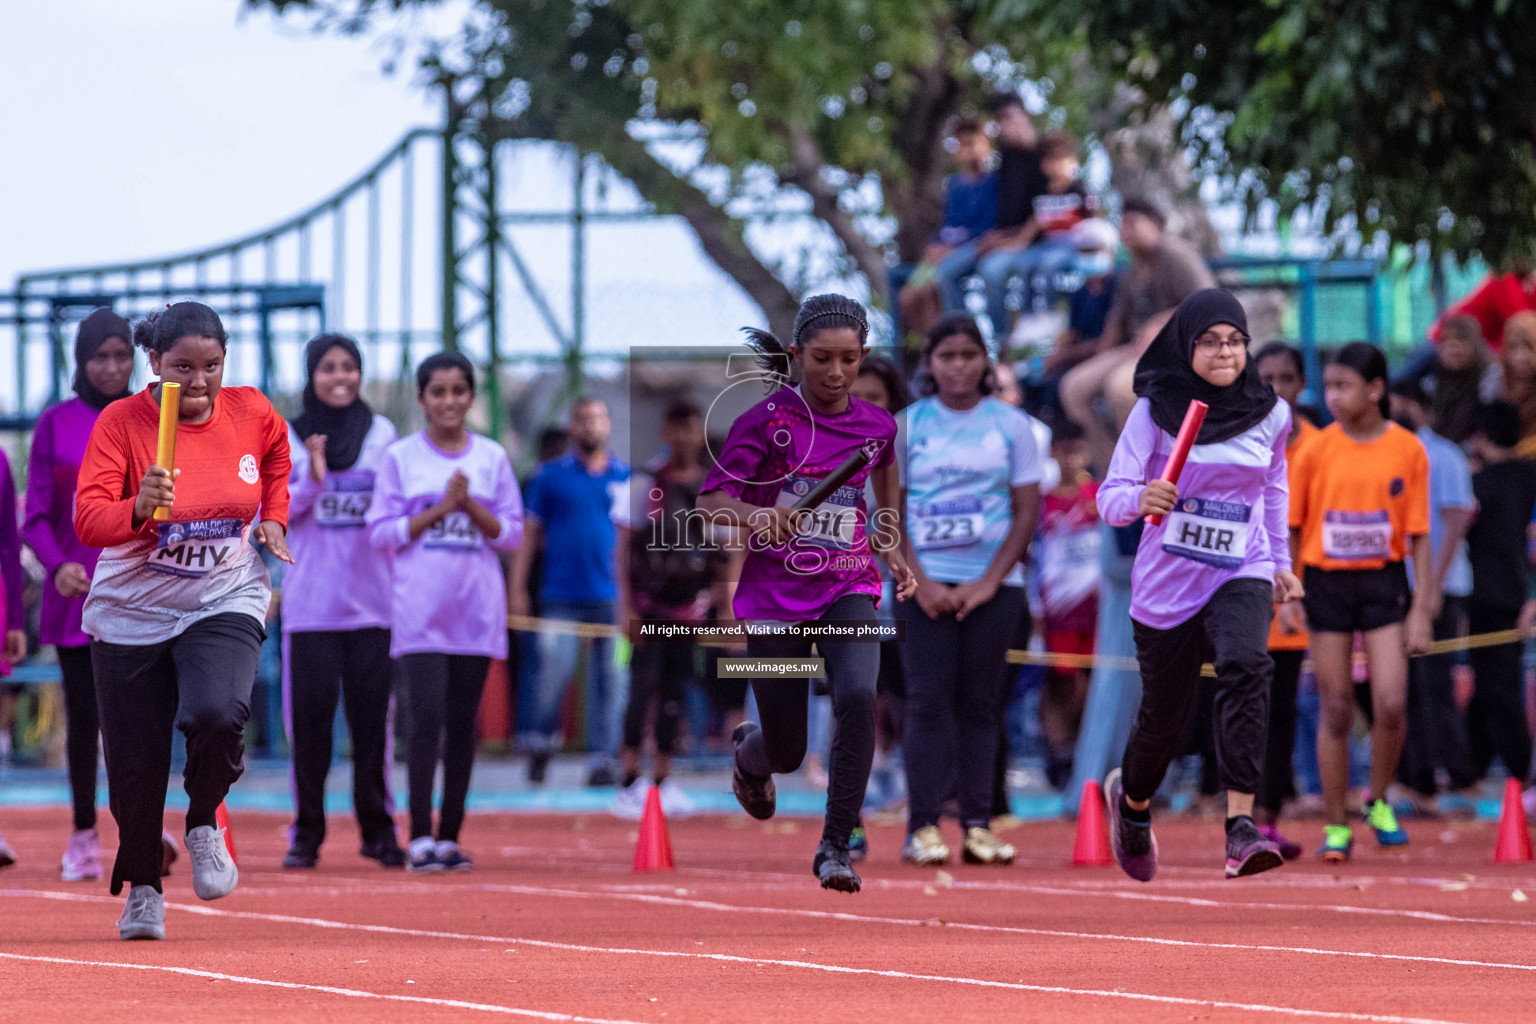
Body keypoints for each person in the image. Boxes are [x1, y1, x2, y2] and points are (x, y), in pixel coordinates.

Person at [75, 301, 293, 940]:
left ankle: (203, 822)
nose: (197, 384)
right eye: (181, 369)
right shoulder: (122, 424)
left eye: (211, 367)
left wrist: (273, 516)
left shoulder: (251, 410)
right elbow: (89, 520)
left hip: (222, 594)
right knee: (136, 769)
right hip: (131, 612)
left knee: (219, 710)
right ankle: (143, 887)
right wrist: (138, 508)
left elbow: (277, 459)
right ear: (153, 364)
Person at [699, 294, 917, 893]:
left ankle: (835, 845)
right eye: (822, 359)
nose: (837, 373)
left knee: (855, 695)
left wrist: (890, 541)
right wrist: (756, 517)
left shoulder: (877, 424)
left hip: (849, 585)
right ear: (796, 356)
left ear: (865, 356)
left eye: (849, 360)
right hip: (773, 600)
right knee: (788, 749)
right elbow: (709, 501)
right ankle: (751, 755)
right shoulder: (766, 422)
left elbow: (884, 475)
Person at [1097, 289, 1302, 882]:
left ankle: (1241, 825)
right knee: (1164, 716)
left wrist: (1281, 562)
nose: (1225, 353)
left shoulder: (1272, 413)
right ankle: (1132, 805)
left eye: (1235, 341)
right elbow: (1110, 497)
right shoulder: (1155, 412)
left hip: (1242, 565)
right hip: (1167, 581)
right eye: (1209, 342)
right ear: (1186, 348)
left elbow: (1272, 491)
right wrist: (1141, 497)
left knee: (1247, 664)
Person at [894, 314, 1042, 867]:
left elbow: (1027, 512)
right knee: (927, 703)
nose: (958, 365)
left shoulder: (1012, 426)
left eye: (969, 355)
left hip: (995, 586)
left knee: (982, 707)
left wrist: (987, 584)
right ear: (929, 363)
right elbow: (889, 511)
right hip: (922, 584)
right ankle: (923, 827)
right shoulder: (907, 426)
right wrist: (922, 582)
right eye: (946, 355)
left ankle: (979, 825)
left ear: (985, 362)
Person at [367, 352, 523, 873]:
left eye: (459, 391)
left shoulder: (492, 459)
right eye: (438, 392)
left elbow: (513, 534)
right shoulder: (401, 458)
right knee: (424, 721)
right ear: (421, 399)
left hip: (475, 616)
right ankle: (418, 839)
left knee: (462, 726)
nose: (449, 402)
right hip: (419, 616)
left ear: (471, 398)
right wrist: (438, 509)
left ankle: (450, 837)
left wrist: (470, 507)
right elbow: (381, 531)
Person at [1289, 342, 1434, 863]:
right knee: (1335, 706)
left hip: (1383, 581)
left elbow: (1419, 532)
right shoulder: (1315, 450)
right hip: (1326, 582)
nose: (1332, 396)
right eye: (1327, 386)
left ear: (1375, 390)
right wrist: (1289, 588)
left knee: (1391, 701)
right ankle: (1335, 824)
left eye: (1343, 385)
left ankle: (1377, 799)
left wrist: (1422, 607)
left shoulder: (1407, 450)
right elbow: (1292, 525)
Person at [280, 334, 403, 869]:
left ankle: (378, 831)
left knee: (373, 733)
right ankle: (307, 833)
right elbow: (279, 510)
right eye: (327, 368)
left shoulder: (383, 434)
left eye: (348, 367)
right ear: (311, 375)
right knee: (308, 732)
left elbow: (392, 512)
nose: (339, 377)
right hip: (310, 609)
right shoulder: (287, 434)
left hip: (374, 608)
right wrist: (312, 474)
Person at [22, 310, 136, 881]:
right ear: (81, 361)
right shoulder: (55, 425)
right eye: (100, 356)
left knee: (140, 718)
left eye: (122, 355)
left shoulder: (151, 419)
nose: (113, 368)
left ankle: (139, 828)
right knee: (86, 716)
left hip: (143, 594)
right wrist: (56, 564)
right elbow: (34, 515)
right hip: (77, 599)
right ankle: (85, 833)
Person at [611, 400, 725, 819]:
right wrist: (626, 609)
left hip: (690, 610)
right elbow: (622, 550)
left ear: (700, 432)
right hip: (646, 607)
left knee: (676, 691)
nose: (683, 437)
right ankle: (627, 782)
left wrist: (725, 606)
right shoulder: (643, 484)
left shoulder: (716, 486)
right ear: (664, 432)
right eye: (675, 428)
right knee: (641, 690)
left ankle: (662, 781)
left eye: (690, 427)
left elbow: (725, 551)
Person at [513, 397, 631, 787]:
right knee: (552, 674)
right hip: (559, 596)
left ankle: (603, 759)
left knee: (613, 680)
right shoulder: (549, 477)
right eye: (581, 419)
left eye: (596, 418)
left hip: (614, 599)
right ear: (572, 428)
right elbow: (528, 535)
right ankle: (542, 743)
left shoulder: (627, 478)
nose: (589, 426)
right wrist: (517, 587)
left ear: (608, 425)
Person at [1060, 196, 1216, 471]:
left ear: (1155, 224)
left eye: (1132, 222)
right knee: (1074, 388)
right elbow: (1116, 324)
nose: (1125, 229)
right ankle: (1113, 470)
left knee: (1121, 388)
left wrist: (1162, 322)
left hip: (1178, 351)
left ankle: (1144, 471)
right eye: (1122, 223)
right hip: (1136, 350)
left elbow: (1208, 303)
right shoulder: (1132, 267)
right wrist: (1092, 356)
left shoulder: (1177, 256)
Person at [1386, 380, 1478, 813]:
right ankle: (1419, 780)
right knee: (1407, 689)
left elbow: (1456, 521)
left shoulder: (1442, 455)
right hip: (1400, 584)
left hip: (1439, 585)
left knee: (1436, 684)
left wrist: (1431, 590)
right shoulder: (1394, 451)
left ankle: (1456, 776)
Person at [1250, 342, 1317, 859]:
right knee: (1241, 708)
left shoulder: (1317, 446)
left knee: (1280, 711)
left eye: (1287, 378)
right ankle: (1241, 814)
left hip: (1292, 598)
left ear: (1301, 384)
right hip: (1240, 592)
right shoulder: (1235, 438)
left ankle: (1264, 817)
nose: (1276, 388)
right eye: (1266, 377)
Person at [1464, 402, 1536, 791]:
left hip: (1485, 594)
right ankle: (1471, 765)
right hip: (1518, 592)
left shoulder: (1478, 485)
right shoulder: (1530, 477)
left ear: (1480, 436)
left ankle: (1520, 771)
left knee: (1498, 685)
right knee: (1490, 682)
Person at [937, 94, 1045, 339]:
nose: (1004, 125)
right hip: (999, 238)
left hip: (1029, 242)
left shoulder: (1042, 155)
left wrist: (1017, 240)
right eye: (1000, 119)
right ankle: (962, 338)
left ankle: (1003, 341)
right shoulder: (1006, 156)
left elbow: (1044, 208)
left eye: (1009, 117)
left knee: (991, 272)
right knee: (946, 272)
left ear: (1024, 117)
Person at [1035, 421, 1100, 789]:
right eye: (1064, 450)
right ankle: (1058, 752)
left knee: (1091, 684)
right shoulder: (1043, 500)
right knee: (1061, 684)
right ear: (1053, 453)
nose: (1072, 458)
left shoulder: (1098, 495)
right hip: (1056, 610)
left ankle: (1083, 751)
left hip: (1094, 609)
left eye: (1078, 450)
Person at [898, 118, 998, 342]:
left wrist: (951, 248)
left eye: (972, 143)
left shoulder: (993, 181)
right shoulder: (954, 184)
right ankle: (933, 344)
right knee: (908, 295)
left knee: (935, 285)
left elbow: (987, 227)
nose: (967, 151)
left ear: (987, 144)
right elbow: (949, 224)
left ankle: (961, 338)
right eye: (962, 145)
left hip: (973, 247)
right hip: (945, 250)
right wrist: (936, 246)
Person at [1409, 315, 1499, 446]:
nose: (1453, 346)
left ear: (1475, 344)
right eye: (1446, 340)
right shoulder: (1431, 383)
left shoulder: (1490, 380)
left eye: (1461, 339)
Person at [1431, 256, 1536, 351]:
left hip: (1478, 346)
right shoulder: (1503, 278)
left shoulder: (1528, 282)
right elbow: (1523, 322)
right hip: (1445, 340)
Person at [1496, 312, 1536, 455]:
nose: (1521, 357)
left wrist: (1511, 454)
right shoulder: (1498, 382)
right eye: (1513, 347)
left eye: (1529, 347)